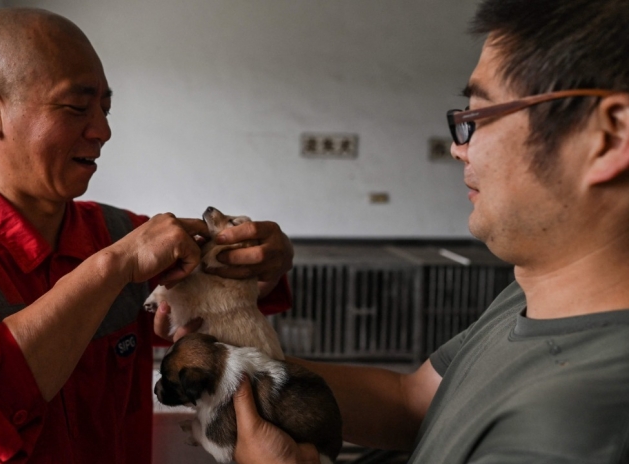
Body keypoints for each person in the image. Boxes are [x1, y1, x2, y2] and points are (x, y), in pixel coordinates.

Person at [0, 8, 294, 463]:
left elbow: (224, 304)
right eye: (76, 107)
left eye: (105, 108)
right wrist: (110, 269)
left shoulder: (119, 231)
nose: (103, 130)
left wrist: (262, 260)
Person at [232, 0, 629, 462]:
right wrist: (236, 363)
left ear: (608, 137)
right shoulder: (531, 294)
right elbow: (411, 401)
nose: (460, 150)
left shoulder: (580, 426)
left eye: (478, 118)